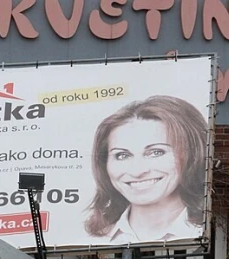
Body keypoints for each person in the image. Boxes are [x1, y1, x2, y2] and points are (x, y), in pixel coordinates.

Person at [84, 95, 208, 245]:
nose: (137, 171)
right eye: (122, 155)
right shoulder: (89, 243)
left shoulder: (209, 233)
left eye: (156, 152)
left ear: (193, 155)